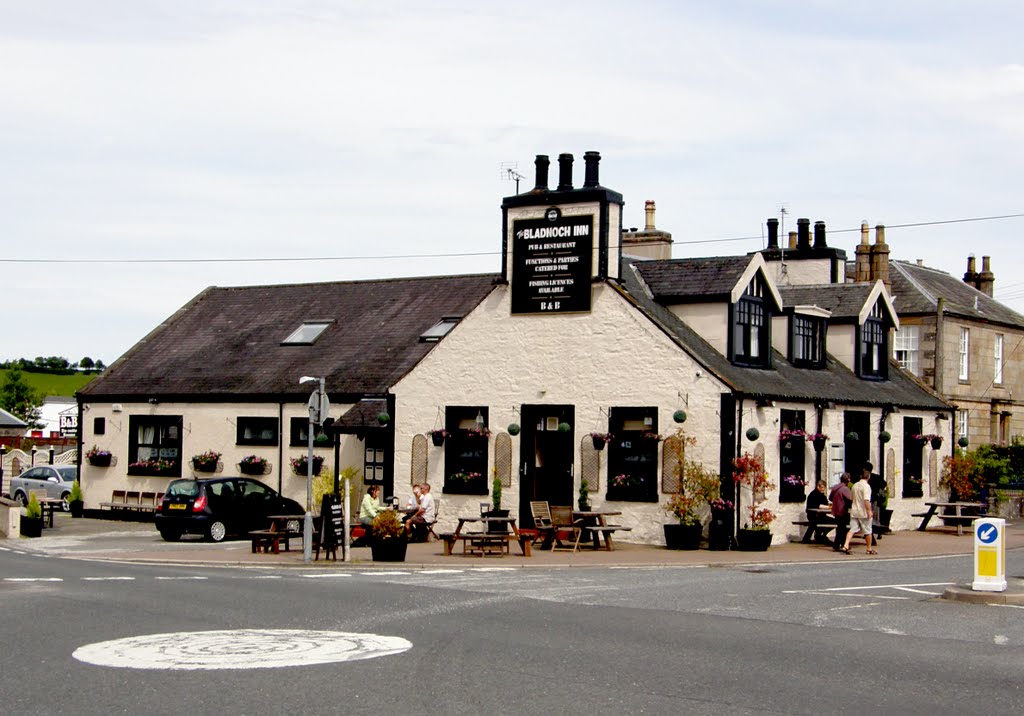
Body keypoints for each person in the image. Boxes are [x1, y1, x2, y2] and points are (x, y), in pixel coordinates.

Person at [842, 471, 877, 555]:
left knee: (852, 529)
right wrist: (869, 511)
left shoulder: (855, 485)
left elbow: (851, 498)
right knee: (868, 530)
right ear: (869, 477)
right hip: (863, 512)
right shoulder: (866, 486)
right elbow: (866, 500)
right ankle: (869, 548)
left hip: (854, 510)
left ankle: (846, 545)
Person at [801, 480, 832, 545]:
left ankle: (821, 535)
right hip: (814, 516)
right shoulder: (813, 495)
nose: (823, 489)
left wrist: (829, 506)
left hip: (821, 516)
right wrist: (829, 507)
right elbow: (819, 506)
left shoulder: (822, 495)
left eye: (824, 487)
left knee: (835, 521)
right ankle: (819, 536)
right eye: (822, 487)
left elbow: (825, 504)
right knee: (830, 522)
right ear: (818, 487)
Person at [864, 462, 888, 542]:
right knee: (875, 518)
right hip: (875, 500)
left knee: (871, 518)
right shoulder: (876, 477)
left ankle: (871, 534)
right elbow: (884, 484)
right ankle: (877, 533)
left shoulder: (867, 478)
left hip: (871, 500)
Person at [829, 473, 852, 552]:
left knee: (840, 527)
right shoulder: (845, 489)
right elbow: (850, 499)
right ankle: (839, 545)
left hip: (836, 510)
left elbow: (830, 498)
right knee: (842, 528)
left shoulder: (835, 487)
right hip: (842, 510)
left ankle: (840, 544)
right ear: (848, 480)